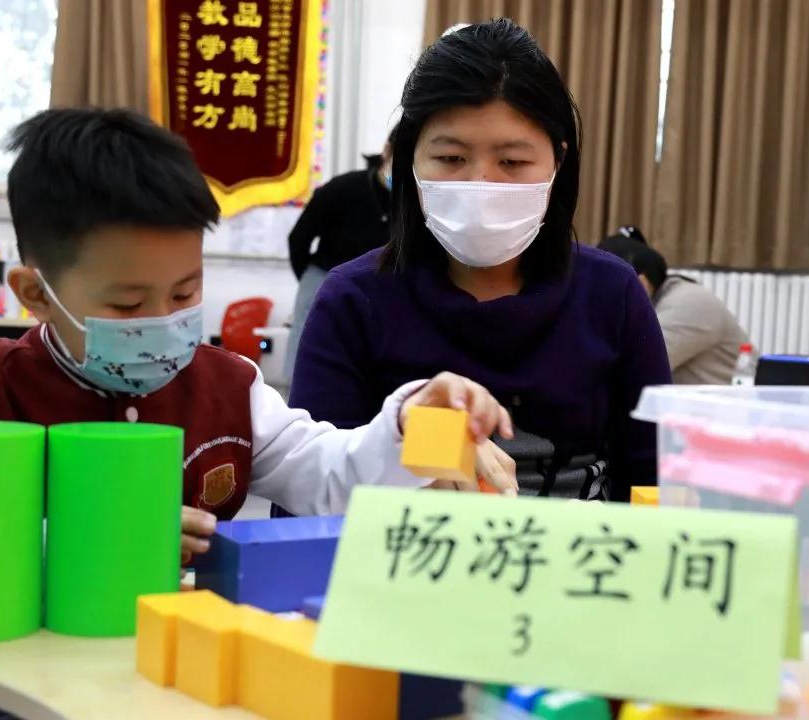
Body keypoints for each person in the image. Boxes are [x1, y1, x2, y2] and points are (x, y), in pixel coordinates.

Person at [0, 108, 517, 567]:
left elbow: (330, 476)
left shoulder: (229, 387)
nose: (162, 319)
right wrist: (86, 541)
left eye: (185, 292)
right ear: (35, 293)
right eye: (127, 303)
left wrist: (408, 423)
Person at [289, 19, 672, 503]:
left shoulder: (611, 294)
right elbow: (305, 497)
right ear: (410, 160)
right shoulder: (353, 299)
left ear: (557, 161)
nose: (481, 184)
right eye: (451, 159)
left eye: (512, 162)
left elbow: (655, 481)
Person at [284, 125, 397, 380]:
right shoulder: (343, 187)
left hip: (378, 285)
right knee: (306, 348)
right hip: (323, 276)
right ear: (387, 151)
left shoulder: (412, 199)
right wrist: (308, 279)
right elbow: (299, 238)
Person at [601, 226, 750, 385]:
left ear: (641, 284)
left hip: (732, 399)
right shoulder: (658, 299)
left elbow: (630, 370)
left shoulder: (689, 302)